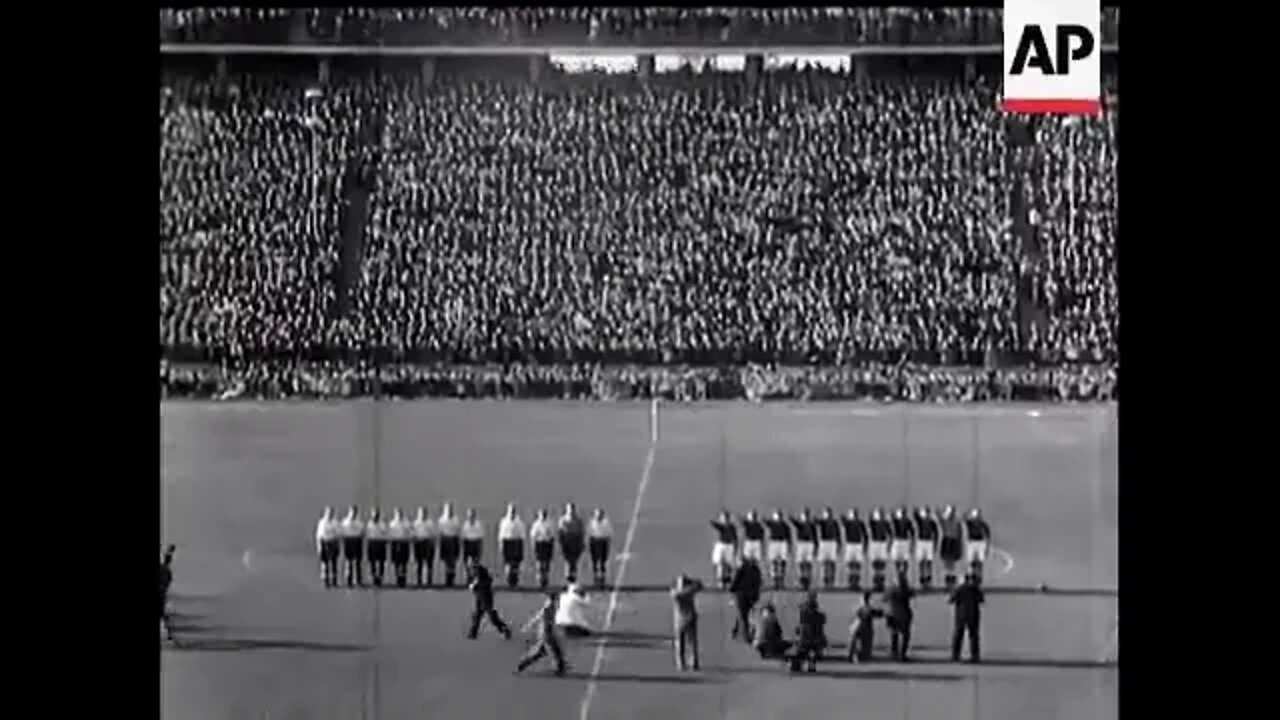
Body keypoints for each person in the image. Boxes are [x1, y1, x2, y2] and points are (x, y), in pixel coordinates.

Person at [517, 592, 568, 676]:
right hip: (546, 633)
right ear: (554, 599)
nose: (558, 600)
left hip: (545, 633)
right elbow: (543, 618)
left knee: (541, 652)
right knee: (556, 650)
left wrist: (528, 625)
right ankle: (560, 669)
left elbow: (538, 617)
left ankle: (523, 665)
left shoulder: (550, 606)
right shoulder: (549, 607)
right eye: (557, 598)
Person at [466, 562, 512, 640]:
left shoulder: (483, 578)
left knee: (490, 615)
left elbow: (484, 584)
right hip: (480, 597)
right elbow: (474, 587)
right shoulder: (478, 578)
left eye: (473, 571)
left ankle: (504, 629)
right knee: (478, 615)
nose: (472, 573)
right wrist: (473, 586)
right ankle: (473, 632)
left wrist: (474, 586)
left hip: (485, 597)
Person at [670, 574, 704, 671]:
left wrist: (675, 585)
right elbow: (699, 584)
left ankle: (681, 662)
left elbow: (672, 591)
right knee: (692, 642)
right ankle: (694, 661)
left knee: (680, 642)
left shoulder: (676, 594)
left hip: (679, 620)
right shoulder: (690, 592)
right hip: (690, 617)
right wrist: (691, 582)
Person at [948, 574, 984, 663]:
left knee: (958, 636)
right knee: (973, 636)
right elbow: (981, 600)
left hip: (961, 615)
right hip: (973, 615)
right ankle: (975, 656)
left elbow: (951, 600)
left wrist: (953, 590)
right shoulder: (975, 589)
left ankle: (955, 655)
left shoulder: (959, 588)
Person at [729, 556, 763, 643]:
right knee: (743, 614)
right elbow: (759, 583)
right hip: (752, 597)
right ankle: (736, 631)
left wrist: (731, 589)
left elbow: (736, 581)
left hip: (742, 595)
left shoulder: (742, 569)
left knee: (743, 616)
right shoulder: (757, 570)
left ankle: (746, 636)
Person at [791, 592, 827, 673]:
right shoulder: (818, 614)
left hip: (809, 641)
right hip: (811, 640)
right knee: (800, 647)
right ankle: (804, 662)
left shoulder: (806, 613)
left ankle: (808, 662)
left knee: (799, 645)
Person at [884, 572, 916, 661]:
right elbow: (913, 593)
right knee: (905, 636)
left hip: (892, 613)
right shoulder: (906, 589)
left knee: (894, 634)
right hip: (904, 614)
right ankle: (903, 654)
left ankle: (894, 652)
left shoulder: (891, 589)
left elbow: (884, 598)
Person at [848, 591, 883, 663]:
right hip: (864, 627)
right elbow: (876, 614)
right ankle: (855, 655)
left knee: (858, 643)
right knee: (863, 646)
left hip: (858, 626)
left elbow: (877, 614)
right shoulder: (866, 607)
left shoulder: (861, 607)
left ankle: (854, 655)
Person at [789, 509, 819, 590]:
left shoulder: (812, 525)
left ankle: (808, 580)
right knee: (802, 564)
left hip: (809, 544)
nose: (805, 517)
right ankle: (803, 580)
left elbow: (815, 536)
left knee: (808, 564)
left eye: (807, 515)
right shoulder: (800, 525)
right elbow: (795, 524)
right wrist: (791, 519)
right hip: (802, 544)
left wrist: (816, 547)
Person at [498, 503, 526, 588]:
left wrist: (521, 545)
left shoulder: (519, 522)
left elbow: (522, 534)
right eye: (511, 510)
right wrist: (501, 544)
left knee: (516, 563)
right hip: (507, 543)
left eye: (513, 510)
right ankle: (509, 579)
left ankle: (515, 580)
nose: (512, 512)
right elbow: (501, 535)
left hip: (516, 542)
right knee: (508, 563)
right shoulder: (504, 522)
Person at [840, 508, 868, 591]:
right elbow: (844, 522)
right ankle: (851, 582)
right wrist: (843, 518)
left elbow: (865, 535)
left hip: (858, 545)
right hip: (850, 545)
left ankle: (856, 582)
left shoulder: (860, 523)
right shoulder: (848, 523)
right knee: (851, 564)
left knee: (857, 565)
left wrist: (865, 546)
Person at [764, 509, 792, 590]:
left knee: (783, 562)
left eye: (779, 516)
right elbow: (766, 522)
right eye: (777, 516)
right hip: (774, 543)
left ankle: (781, 581)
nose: (778, 518)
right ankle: (775, 581)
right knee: (774, 562)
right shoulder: (772, 524)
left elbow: (789, 537)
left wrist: (789, 547)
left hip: (783, 543)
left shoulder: (785, 526)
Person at [710, 510, 738, 589]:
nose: (724, 519)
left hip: (729, 546)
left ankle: (726, 582)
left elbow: (735, 539)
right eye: (723, 518)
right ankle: (720, 582)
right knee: (719, 563)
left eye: (725, 518)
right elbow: (716, 525)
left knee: (728, 564)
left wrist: (735, 549)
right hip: (721, 545)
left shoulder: (731, 527)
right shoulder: (722, 526)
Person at [558, 503, 585, 584]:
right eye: (569, 509)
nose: (571, 511)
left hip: (576, 541)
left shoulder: (578, 520)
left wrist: (581, 542)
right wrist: (561, 543)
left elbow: (581, 532)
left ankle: (574, 575)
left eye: (572, 509)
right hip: (567, 542)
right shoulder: (563, 520)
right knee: (568, 560)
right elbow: (560, 532)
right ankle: (568, 575)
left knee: (575, 560)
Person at [938, 505, 964, 589]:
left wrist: (959, 544)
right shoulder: (946, 520)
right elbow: (940, 519)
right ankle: (948, 578)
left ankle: (951, 577)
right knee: (947, 561)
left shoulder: (956, 521)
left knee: (951, 561)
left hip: (953, 541)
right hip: (948, 540)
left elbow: (960, 532)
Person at [963, 508, 992, 585]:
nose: (977, 518)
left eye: (978, 517)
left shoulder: (983, 525)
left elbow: (987, 536)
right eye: (975, 517)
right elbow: (963, 518)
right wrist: (967, 513)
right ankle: (969, 576)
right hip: (971, 542)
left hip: (980, 543)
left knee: (980, 562)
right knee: (970, 561)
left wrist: (987, 547)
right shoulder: (969, 523)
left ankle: (978, 577)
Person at [913, 506, 939, 589]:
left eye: (927, 513)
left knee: (928, 561)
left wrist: (935, 544)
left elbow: (936, 534)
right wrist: (917, 511)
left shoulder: (932, 522)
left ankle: (928, 578)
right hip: (921, 542)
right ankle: (922, 578)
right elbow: (915, 515)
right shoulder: (920, 521)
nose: (926, 515)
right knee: (921, 561)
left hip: (929, 542)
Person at [815, 508, 841, 589]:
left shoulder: (834, 523)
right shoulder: (822, 522)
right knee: (824, 563)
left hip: (832, 543)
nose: (827, 516)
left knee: (831, 563)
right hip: (824, 542)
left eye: (829, 514)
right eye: (826, 514)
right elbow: (817, 522)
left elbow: (838, 534)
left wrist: (838, 545)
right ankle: (825, 580)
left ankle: (831, 580)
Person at [867, 507, 892, 592]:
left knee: (881, 565)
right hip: (875, 544)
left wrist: (889, 545)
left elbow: (890, 534)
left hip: (882, 544)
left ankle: (880, 583)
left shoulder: (885, 523)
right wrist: (870, 515)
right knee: (875, 565)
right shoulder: (873, 523)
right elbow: (870, 523)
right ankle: (876, 582)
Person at [340, 505, 365, 587]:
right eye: (352, 511)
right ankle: (349, 580)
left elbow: (362, 532)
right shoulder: (345, 522)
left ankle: (358, 580)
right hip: (348, 541)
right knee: (348, 561)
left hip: (357, 541)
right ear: (349, 512)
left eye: (355, 512)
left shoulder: (360, 522)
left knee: (358, 562)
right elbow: (342, 532)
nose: (353, 513)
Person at [315, 506, 340, 588]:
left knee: (334, 563)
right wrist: (319, 546)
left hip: (333, 542)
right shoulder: (322, 523)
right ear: (325, 513)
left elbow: (338, 534)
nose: (330, 514)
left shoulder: (335, 522)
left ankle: (334, 580)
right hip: (325, 543)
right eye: (328, 513)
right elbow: (319, 535)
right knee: (325, 563)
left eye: (331, 513)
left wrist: (337, 545)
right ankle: (326, 580)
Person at [530, 508, 555, 588]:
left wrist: (551, 545)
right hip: (539, 544)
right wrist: (534, 546)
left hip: (547, 544)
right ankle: (540, 578)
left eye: (544, 515)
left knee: (547, 563)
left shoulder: (550, 524)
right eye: (541, 515)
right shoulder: (536, 524)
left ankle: (546, 578)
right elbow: (533, 536)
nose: (543, 516)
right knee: (540, 563)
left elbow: (552, 536)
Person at [437, 503, 462, 587]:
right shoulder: (441, 520)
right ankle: (447, 580)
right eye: (447, 509)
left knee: (453, 561)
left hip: (453, 539)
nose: (449, 511)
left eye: (450, 509)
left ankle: (451, 580)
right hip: (445, 540)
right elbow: (440, 533)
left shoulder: (456, 520)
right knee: (447, 561)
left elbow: (458, 532)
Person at [588, 508, 613, 588]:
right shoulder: (592, 522)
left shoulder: (606, 522)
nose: (598, 517)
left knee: (603, 559)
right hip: (595, 541)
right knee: (595, 559)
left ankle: (602, 577)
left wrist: (607, 540)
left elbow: (609, 533)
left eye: (600, 515)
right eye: (597, 515)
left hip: (603, 541)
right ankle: (595, 575)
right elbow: (590, 533)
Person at [411, 506, 436, 587]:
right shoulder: (415, 523)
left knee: (429, 563)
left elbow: (433, 535)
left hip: (427, 543)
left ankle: (429, 581)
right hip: (419, 543)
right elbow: (413, 535)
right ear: (418, 514)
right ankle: (419, 581)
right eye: (421, 513)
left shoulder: (430, 523)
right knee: (419, 563)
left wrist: (431, 544)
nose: (423, 514)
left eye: (424, 513)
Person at [889, 506, 916, 581]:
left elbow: (912, 533)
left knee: (905, 560)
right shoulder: (895, 521)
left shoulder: (908, 521)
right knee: (896, 559)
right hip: (897, 541)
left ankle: (904, 575)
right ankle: (898, 575)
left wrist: (912, 545)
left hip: (905, 542)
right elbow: (892, 519)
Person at [387, 508, 411, 587]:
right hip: (395, 543)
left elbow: (410, 533)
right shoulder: (392, 524)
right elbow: (390, 534)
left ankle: (403, 579)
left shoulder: (406, 523)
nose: (399, 515)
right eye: (397, 514)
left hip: (404, 543)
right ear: (395, 515)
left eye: (400, 514)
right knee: (396, 562)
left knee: (404, 562)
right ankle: (397, 578)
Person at [366, 508, 388, 587]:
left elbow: (385, 533)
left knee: (381, 562)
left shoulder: (382, 524)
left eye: (377, 515)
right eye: (374, 515)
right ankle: (374, 577)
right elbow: (367, 534)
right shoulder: (369, 524)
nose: (375, 516)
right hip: (372, 543)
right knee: (372, 562)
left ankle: (380, 577)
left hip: (380, 543)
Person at [461, 507, 485, 579]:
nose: (471, 517)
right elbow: (463, 537)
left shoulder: (478, 525)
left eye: (472, 515)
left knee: (476, 563)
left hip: (476, 544)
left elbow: (480, 537)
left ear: (474, 515)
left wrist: (480, 548)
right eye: (469, 515)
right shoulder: (465, 525)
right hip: (468, 544)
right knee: (467, 564)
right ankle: (468, 579)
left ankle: (475, 580)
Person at [159, 545, 177, 643]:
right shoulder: (166, 569)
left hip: (161, 594)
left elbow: (168, 581)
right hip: (162, 593)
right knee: (164, 615)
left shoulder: (165, 569)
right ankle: (169, 635)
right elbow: (168, 581)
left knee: (164, 615)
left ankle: (169, 635)